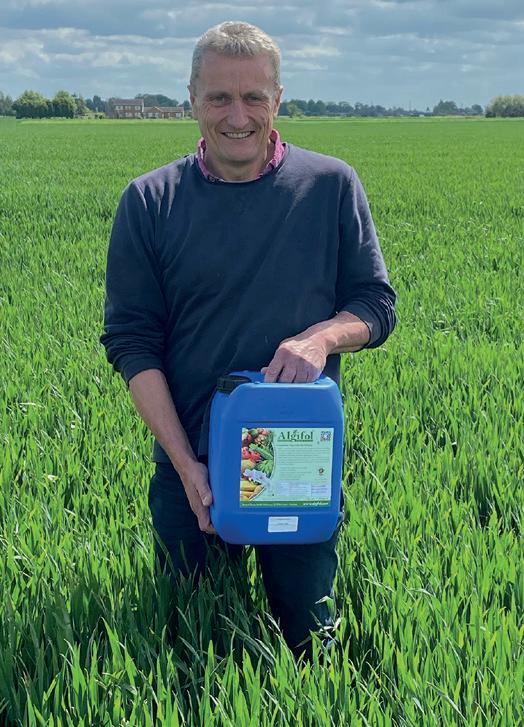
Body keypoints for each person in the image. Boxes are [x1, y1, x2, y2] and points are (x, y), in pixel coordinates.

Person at [100, 21, 396, 659]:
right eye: (219, 98)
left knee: (309, 645)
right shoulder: (150, 201)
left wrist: (321, 338)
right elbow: (131, 341)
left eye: (254, 97)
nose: (237, 117)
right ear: (192, 99)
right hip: (193, 462)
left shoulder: (330, 186)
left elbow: (376, 305)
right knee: (193, 650)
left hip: (298, 461)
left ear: (278, 99)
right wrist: (186, 467)